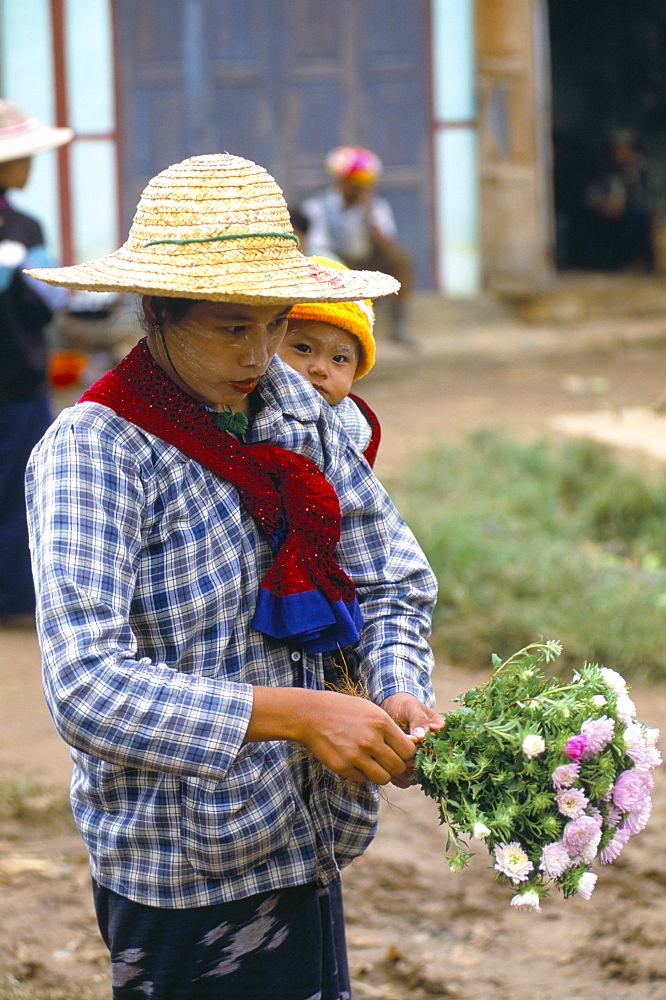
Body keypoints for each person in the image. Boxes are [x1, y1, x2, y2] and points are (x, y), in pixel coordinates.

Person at [25, 152, 442, 1000]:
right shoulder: (96, 451)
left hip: (307, 834)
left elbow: (391, 575)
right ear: (155, 313)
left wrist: (395, 686)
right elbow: (85, 686)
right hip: (180, 869)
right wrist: (297, 714)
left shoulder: (290, 407)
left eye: (273, 321)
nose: (260, 353)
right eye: (228, 327)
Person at [0, 98, 72, 626]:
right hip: (19, 380)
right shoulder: (22, 228)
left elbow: (53, 299)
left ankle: (17, 598)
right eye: (23, 157)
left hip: (21, 379)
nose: (30, 166)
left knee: (20, 485)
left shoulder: (25, 228)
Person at [301, 145, 414, 343]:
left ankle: (398, 324)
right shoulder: (318, 207)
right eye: (355, 183)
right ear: (341, 181)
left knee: (401, 259)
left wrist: (370, 215)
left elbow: (388, 248)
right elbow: (318, 250)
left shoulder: (377, 207)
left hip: (368, 261)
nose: (361, 189)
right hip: (338, 263)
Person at [279, 255, 382, 467]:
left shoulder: (351, 427)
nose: (320, 369)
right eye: (303, 349)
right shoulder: (242, 402)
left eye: (339, 358)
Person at [569, 129, 655, 272]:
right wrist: (600, 203)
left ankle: (634, 263)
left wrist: (624, 207)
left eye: (623, 149)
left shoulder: (645, 173)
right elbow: (590, 194)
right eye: (614, 149)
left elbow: (651, 200)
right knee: (582, 221)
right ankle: (597, 266)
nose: (618, 154)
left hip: (632, 218)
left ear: (633, 150)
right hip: (606, 217)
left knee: (640, 217)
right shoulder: (602, 171)